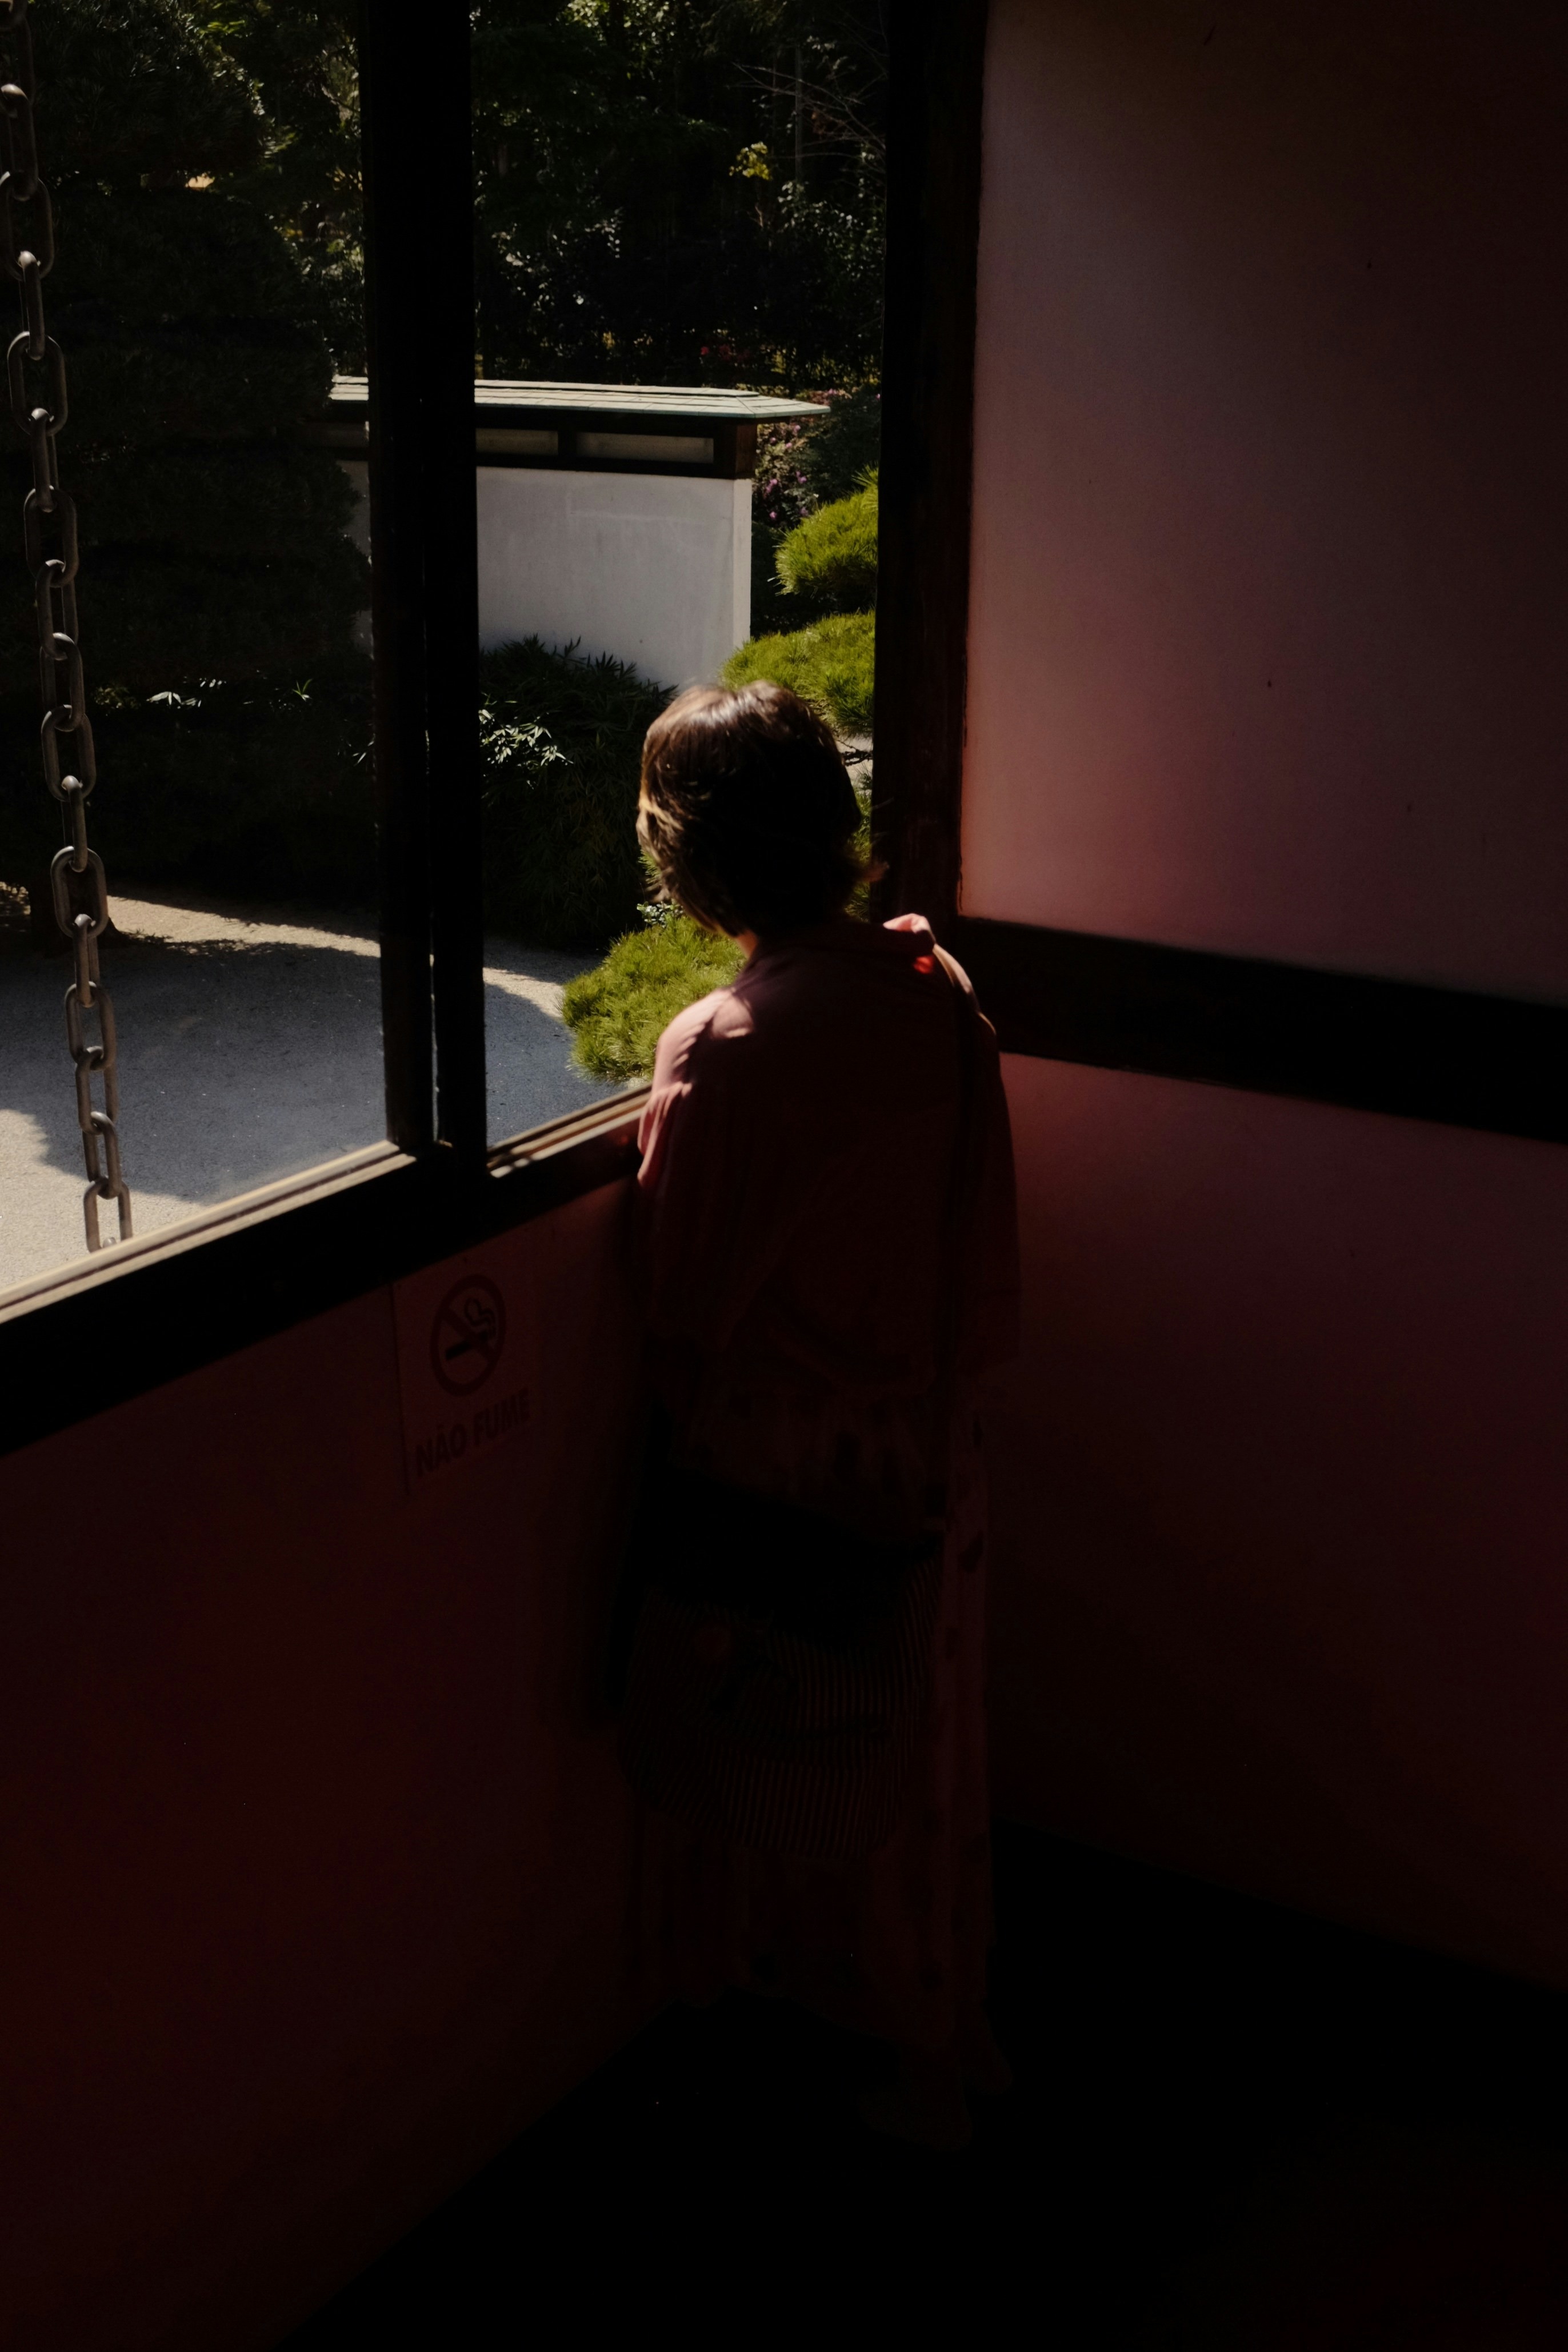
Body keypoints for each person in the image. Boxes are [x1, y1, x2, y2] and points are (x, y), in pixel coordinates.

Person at [624, 679, 1019, 2149]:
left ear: (690, 856)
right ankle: (932, 2026)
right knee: (915, 1742)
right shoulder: (931, 992)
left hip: (778, 1457)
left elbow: (677, 1305)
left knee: (759, 1754)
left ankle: (763, 2026)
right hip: (928, 1438)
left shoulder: (724, 1049)